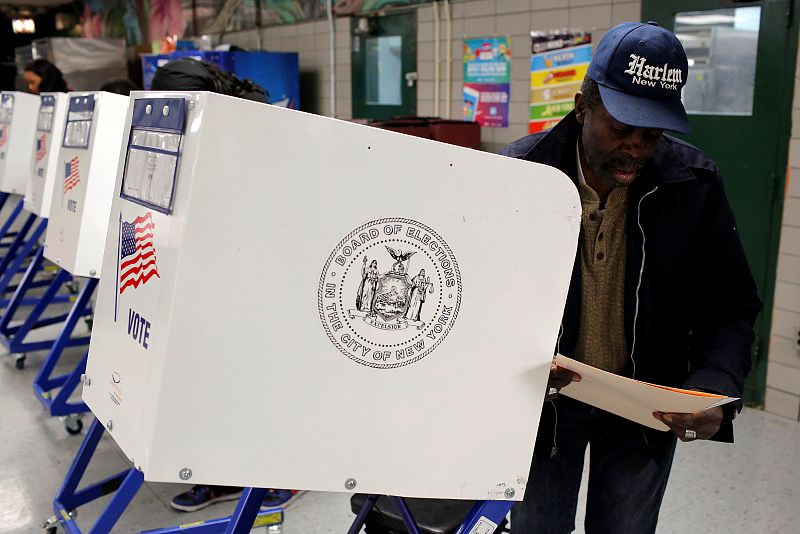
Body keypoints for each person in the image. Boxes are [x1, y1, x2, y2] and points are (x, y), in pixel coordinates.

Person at [501, 22, 762, 533]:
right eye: (621, 128)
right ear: (582, 107)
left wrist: (714, 386)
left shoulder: (694, 186)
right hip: (545, 406)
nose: (637, 147)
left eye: (653, 132)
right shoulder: (521, 175)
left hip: (644, 410)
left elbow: (729, 305)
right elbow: (480, 300)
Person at [149, 57, 291, 513]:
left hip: (251, 278)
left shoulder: (243, 126)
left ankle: (264, 480)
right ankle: (228, 474)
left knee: (235, 382)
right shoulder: (222, 118)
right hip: (230, 276)